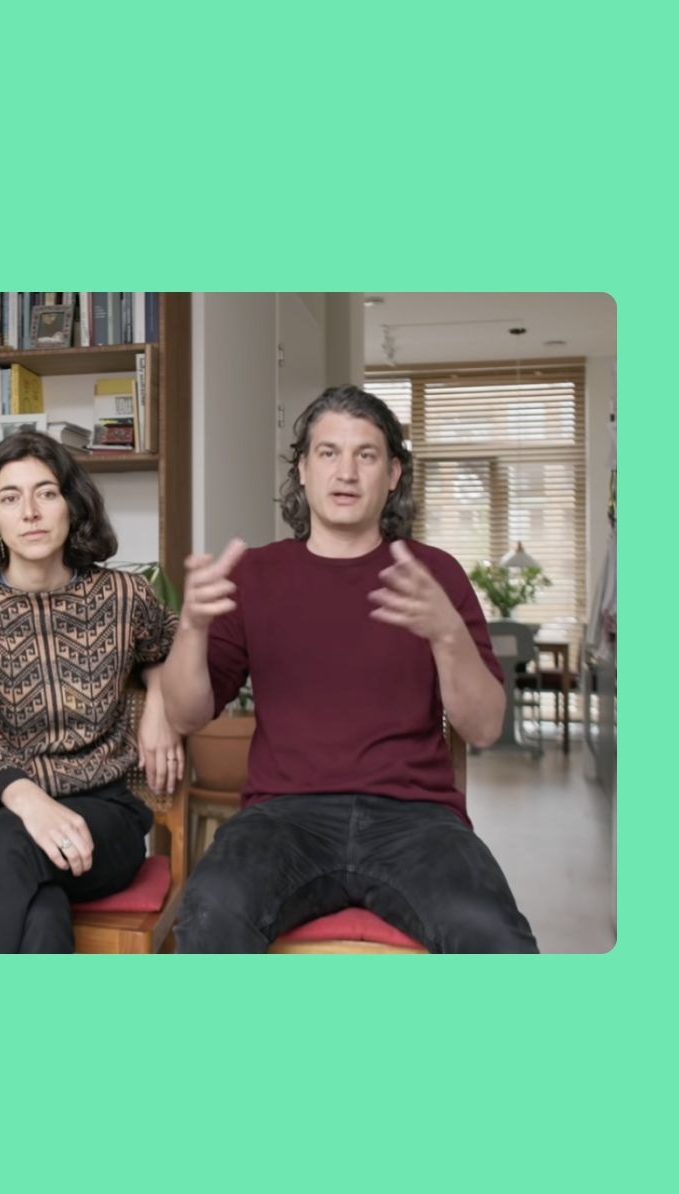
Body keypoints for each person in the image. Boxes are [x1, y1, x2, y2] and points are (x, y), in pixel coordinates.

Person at [159, 385, 538, 953]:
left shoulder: (434, 574)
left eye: (366, 454)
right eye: (328, 452)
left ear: (393, 474)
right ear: (303, 469)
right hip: (283, 819)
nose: (346, 471)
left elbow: (483, 727)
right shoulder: (256, 575)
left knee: (493, 934)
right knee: (212, 913)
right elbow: (186, 713)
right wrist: (190, 627)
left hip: (416, 820)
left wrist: (445, 632)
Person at [0, 430, 182, 952]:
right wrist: (32, 804)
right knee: (39, 911)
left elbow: (177, 651)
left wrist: (158, 699)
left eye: (46, 492)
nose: (31, 512)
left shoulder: (124, 595)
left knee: (5, 847)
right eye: (10, 498)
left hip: (99, 813)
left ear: (71, 503)